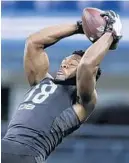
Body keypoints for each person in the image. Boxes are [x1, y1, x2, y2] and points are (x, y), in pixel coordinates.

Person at [1, 10, 122, 163]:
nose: (65, 64)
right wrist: (80, 27)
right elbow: (34, 42)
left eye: (72, 64)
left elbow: (87, 65)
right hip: (8, 147)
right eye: (65, 60)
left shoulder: (82, 101)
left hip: (27, 153)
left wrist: (110, 33)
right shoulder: (41, 81)